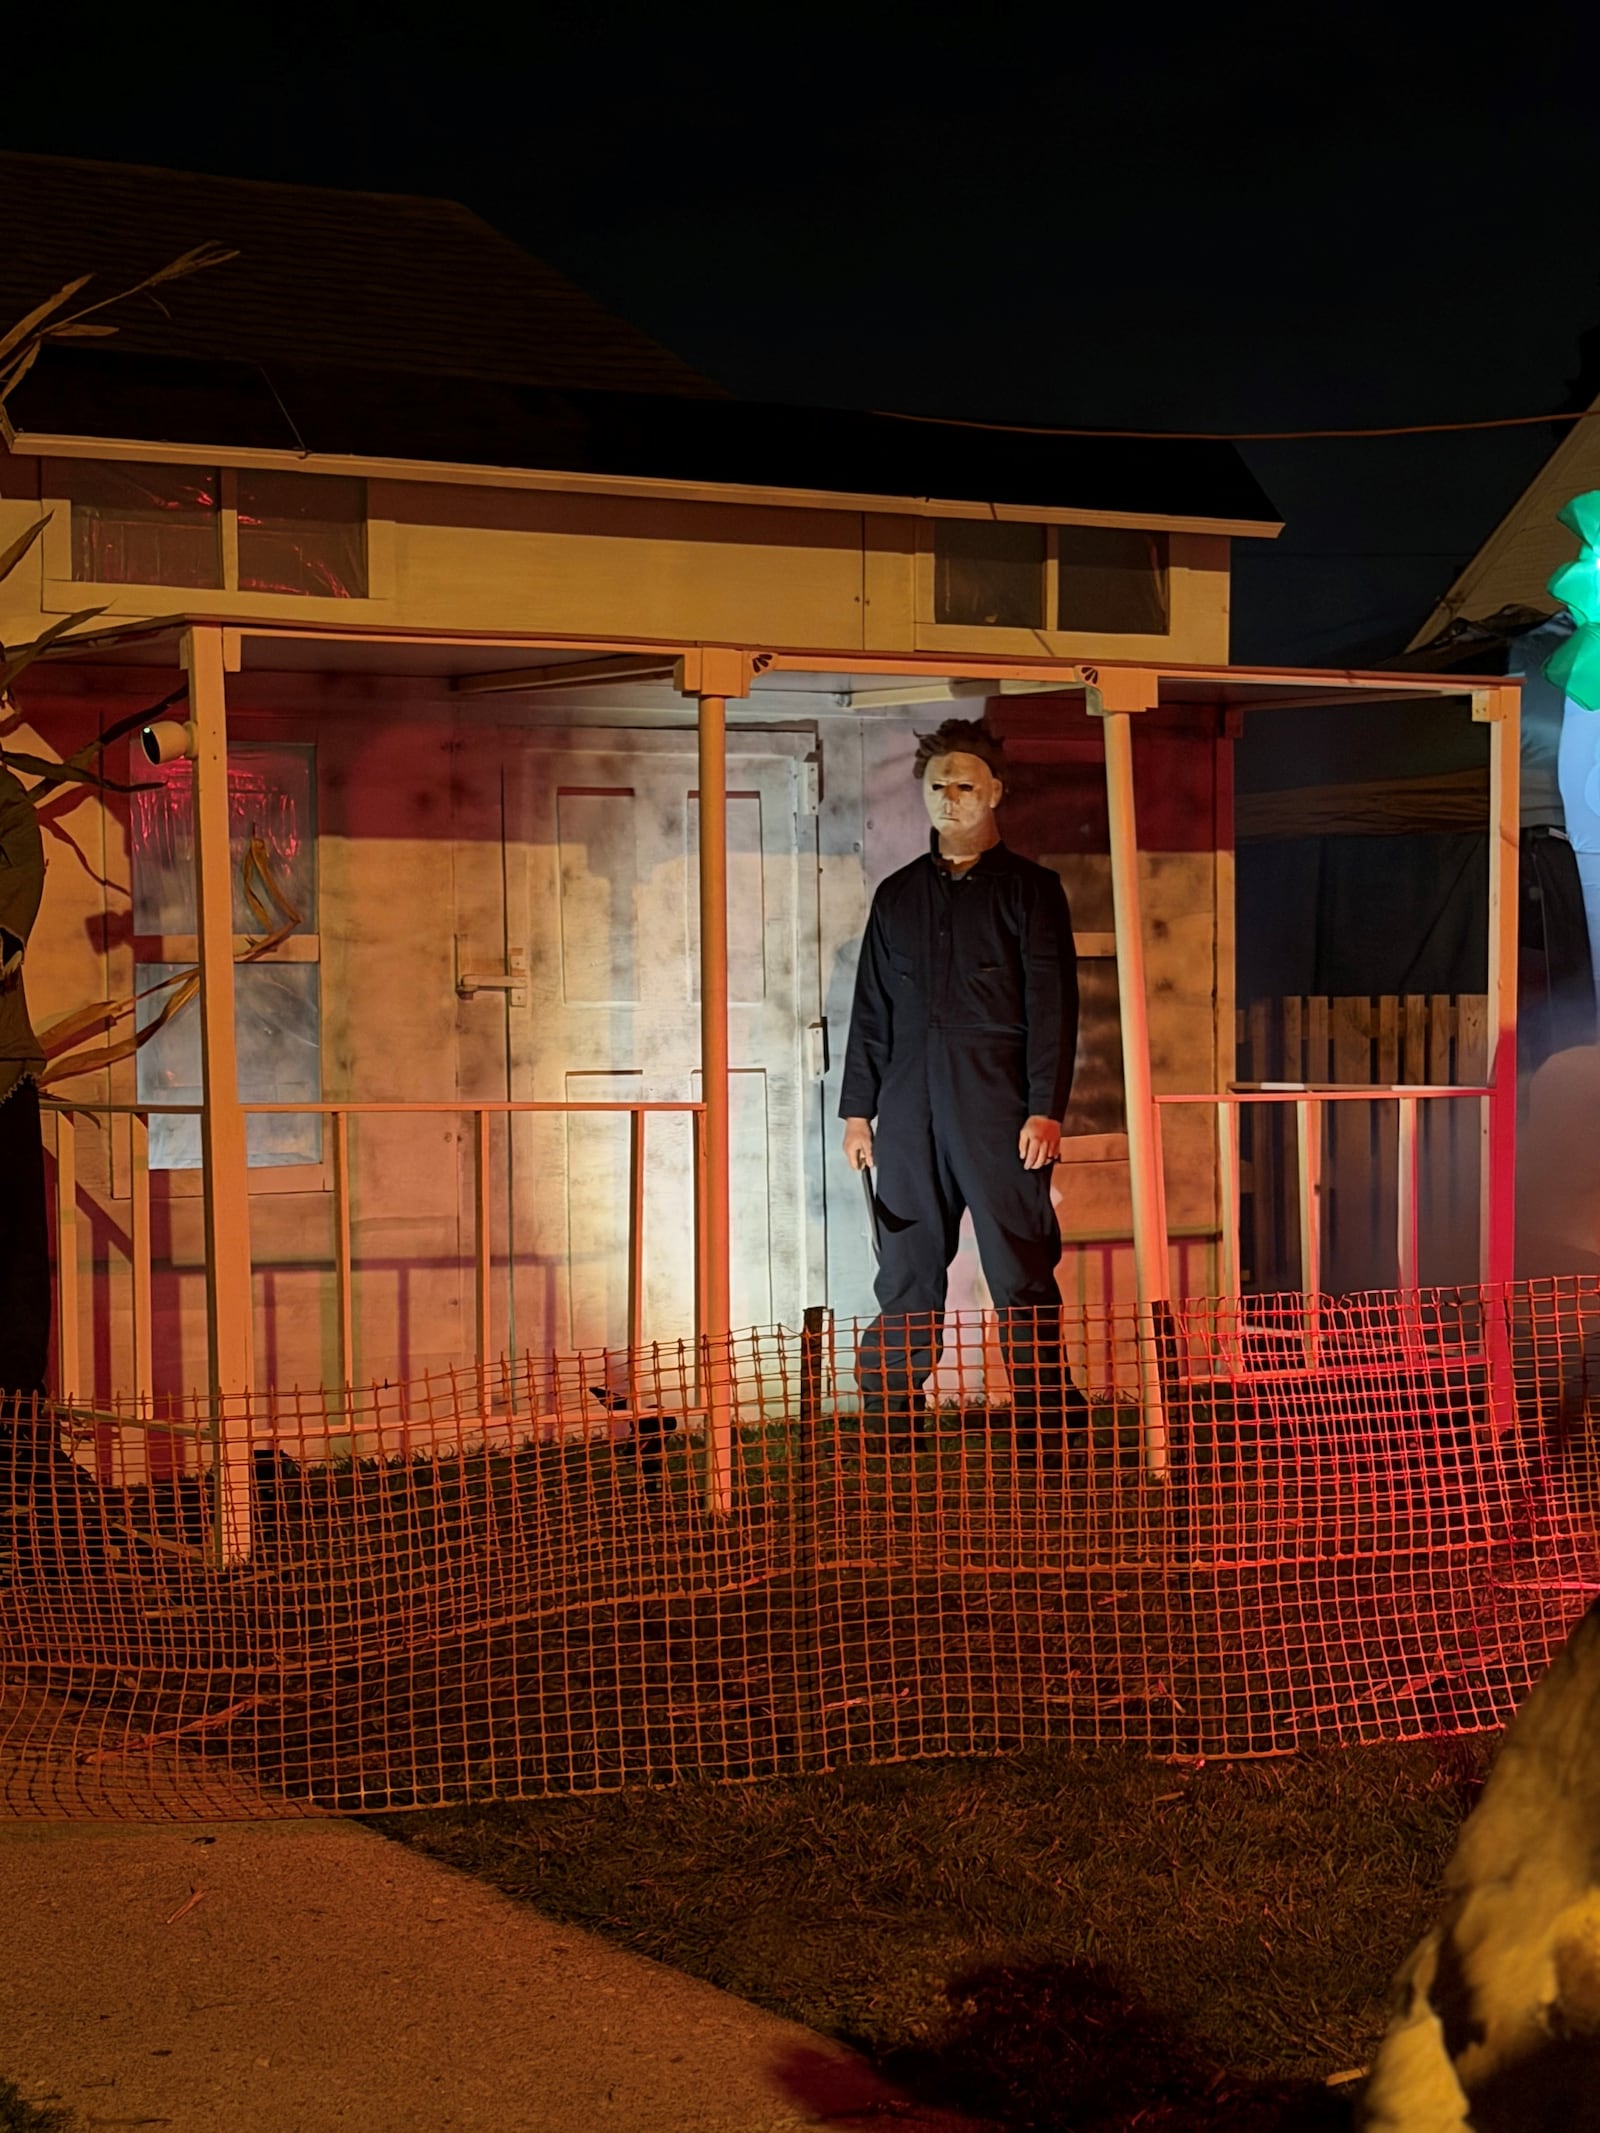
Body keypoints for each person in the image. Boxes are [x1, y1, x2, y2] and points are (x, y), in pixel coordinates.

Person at [839, 718, 1085, 1461]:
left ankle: (1047, 1429)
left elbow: (1053, 1007)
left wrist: (1044, 1109)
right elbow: (871, 1010)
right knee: (906, 1266)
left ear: (995, 792)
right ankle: (889, 1427)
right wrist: (858, 1113)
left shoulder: (1031, 892)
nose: (950, 798)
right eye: (938, 785)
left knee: (1020, 1264)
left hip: (999, 1106)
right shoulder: (897, 897)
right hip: (908, 1108)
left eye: (966, 785)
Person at [0, 761, 49, 1405]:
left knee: (15, 1261)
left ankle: (17, 1432)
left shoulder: (4, 798)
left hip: (3, 1071)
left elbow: (20, 855)